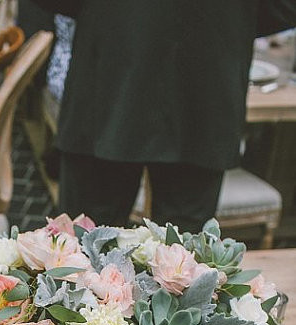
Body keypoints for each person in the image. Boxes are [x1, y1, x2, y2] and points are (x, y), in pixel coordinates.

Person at [34, 0, 296, 232]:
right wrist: (226, 19)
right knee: (180, 263)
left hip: (111, 75)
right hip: (204, 90)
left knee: (84, 250)